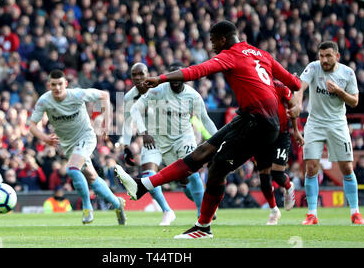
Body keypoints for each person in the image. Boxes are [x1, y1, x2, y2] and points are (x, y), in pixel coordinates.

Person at [115, 20, 301, 239]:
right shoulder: (262, 54)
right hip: (250, 117)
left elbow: (198, 71)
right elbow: (295, 84)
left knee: (216, 170)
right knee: (202, 153)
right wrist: (292, 102)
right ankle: (142, 186)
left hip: (258, 121)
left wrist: (161, 78)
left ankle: (203, 227)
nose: (212, 46)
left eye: (213, 41)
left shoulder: (230, 54)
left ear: (223, 39)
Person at [29, 69, 126, 225]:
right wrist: (45, 138)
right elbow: (32, 126)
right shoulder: (44, 101)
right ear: (49, 85)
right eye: (53, 85)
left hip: (85, 137)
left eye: (60, 84)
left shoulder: (77, 94)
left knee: (72, 169)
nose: (57, 88)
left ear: (66, 84)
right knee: (92, 177)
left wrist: (106, 124)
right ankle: (117, 204)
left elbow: (105, 95)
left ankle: (87, 208)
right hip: (67, 145)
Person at [130, 61, 218, 221]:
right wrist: (144, 132)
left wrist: (219, 140)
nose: (175, 80)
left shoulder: (193, 96)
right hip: (158, 139)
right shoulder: (157, 91)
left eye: (179, 76)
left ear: (185, 77)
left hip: (183, 138)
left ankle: (202, 214)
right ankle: (169, 210)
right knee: (178, 180)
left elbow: (206, 120)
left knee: (191, 174)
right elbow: (135, 109)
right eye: (172, 77)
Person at [292, 41, 364, 225]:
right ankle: (311, 214)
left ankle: (355, 212)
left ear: (337, 56)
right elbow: (300, 87)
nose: (324, 60)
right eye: (321, 56)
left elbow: (354, 102)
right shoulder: (313, 68)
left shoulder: (347, 73)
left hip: (338, 124)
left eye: (328, 56)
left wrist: (340, 92)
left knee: (347, 169)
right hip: (315, 123)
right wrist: (298, 104)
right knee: (310, 168)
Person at [119, 62, 176, 226]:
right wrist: (125, 145)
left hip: (173, 138)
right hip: (151, 141)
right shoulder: (130, 97)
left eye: (140, 74)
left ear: (148, 74)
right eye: (134, 75)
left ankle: (204, 211)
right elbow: (128, 123)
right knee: (148, 176)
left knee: (187, 179)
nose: (137, 78)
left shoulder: (162, 89)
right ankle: (167, 211)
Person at [259, 80, 303, 225]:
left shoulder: (279, 86)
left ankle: (289, 186)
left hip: (281, 134)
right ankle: (273, 211)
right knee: (264, 177)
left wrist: (296, 131)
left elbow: (293, 108)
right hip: (262, 136)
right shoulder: (253, 86)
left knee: (277, 174)